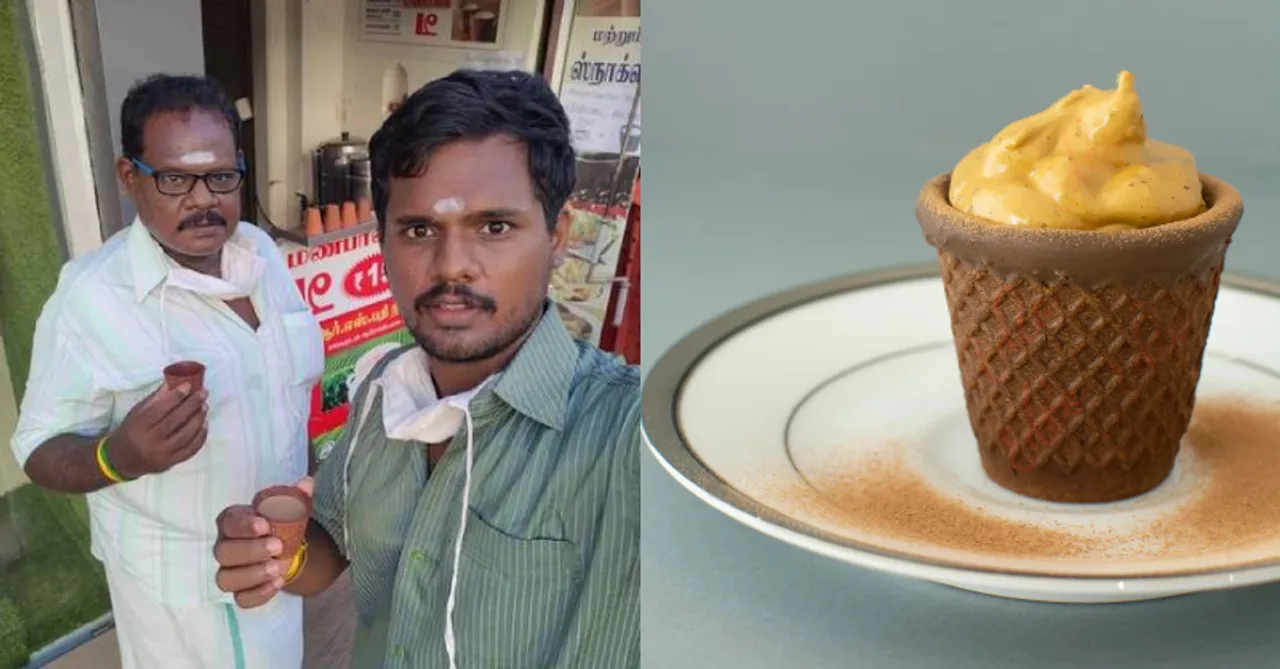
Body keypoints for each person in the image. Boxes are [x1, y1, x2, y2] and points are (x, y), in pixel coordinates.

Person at [211, 69, 640, 668]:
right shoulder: (383, 388)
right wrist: (280, 554)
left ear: (557, 235)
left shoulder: (627, 438)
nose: (451, 266)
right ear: (382, 242)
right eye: (418, 230)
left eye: (494, 227)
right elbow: (336, 541)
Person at [10, 74, 323, 668]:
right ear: (130, 177)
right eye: (176, 178)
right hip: (181, 601)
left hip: (276, 563)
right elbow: (36, 448)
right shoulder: (93, 297)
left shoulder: (261, 255)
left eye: (222, 176)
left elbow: (288, 393)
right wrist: (117, 456)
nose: (204, 200)